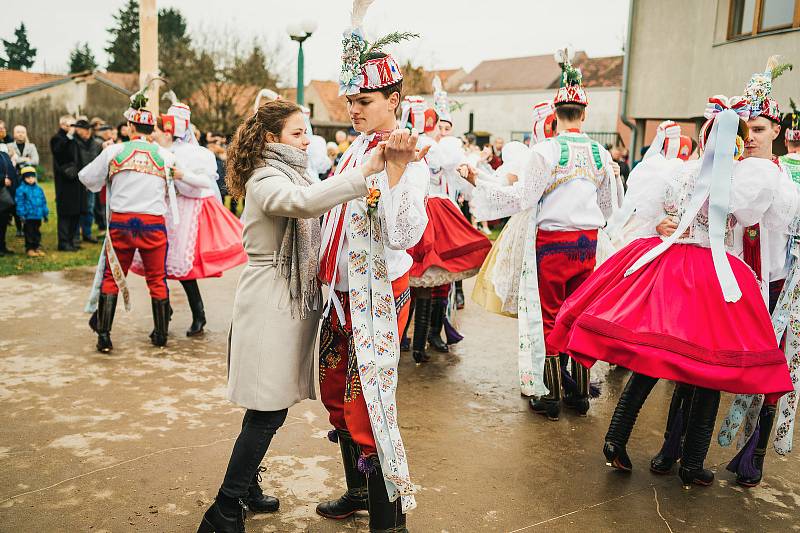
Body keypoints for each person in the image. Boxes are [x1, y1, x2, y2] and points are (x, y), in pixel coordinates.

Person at [549, 94, 796, 488]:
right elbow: (751, 217)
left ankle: (616, 438)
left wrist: (667, 224)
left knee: (651, 359)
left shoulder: (676, 172)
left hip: (668, 265)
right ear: (732, 143)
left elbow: (648, 217)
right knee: (709, 370)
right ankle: (693, 462)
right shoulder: (740, 177)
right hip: (712, 275)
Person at [197, 98, 416, 533]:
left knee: (270, 404)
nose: (307, 138)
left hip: (289, 300)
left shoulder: (292, 169)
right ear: (270, 138)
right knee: (267, 409)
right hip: (269, 303)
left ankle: (247, 490)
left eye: (306, 130)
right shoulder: (266, 177)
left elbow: (322, 204)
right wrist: (365, 173)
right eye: (298, 132)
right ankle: (224, 507)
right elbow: (303, 203)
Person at [315, 5, 428, 530]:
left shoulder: (409, 155)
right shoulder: (357, 146)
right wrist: (355, 23)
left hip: (378, 297)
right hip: (339, 298)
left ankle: (391, 522)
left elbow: (405, 235)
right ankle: (358, 493)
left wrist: (399, 175)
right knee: (336, 398)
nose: (353, 108)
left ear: (393, 102)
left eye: (363, 101)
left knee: (369, 411)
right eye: (351, 100)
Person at [463, 49, 622, 420]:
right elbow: (610, 208)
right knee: (579, 313)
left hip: (552, 242)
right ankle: (579, 394)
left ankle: (549, 394)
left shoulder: (546, 151)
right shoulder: (600, 152)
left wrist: (481, 185)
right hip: (588, 242)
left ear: (555, 116)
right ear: (583, 115)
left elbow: (523, 198)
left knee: (550, 315)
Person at [131, 101, 247, 337]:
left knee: (183, 269)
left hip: (186, 212)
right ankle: (165, 310)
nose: (158, 134)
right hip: (162, 211)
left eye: (163, 129)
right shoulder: (158, 152)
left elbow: (206, 182)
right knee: (157, 265)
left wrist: (182, 175)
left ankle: (198, 315)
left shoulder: (199, 154)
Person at [79, 90, 181, 353]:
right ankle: (160, 335)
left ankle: (104, 336)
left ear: (129, 126)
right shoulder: (165, 156)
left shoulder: (115, 151)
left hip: (122, 223)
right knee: (157, 279)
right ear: (152, 128)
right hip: (153, 224)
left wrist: (106, 160)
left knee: (112, 277)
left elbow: (87, 179)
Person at [50, 115, 85, 251]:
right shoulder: (57, 139)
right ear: (62, 125)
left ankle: (71, 240)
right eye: (71, 125)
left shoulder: (75, 140)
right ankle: (63, 242)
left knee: (75, 212)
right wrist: (69, 138)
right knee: (65, 213)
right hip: (65, 182)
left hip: (76, 181)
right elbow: (59, 154)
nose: (73, 128)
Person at [73, 119, 102, 244]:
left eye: (82, 129)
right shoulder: (74, 143)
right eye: (78, 129)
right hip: (78, 180)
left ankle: (87, 233)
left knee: (89, 207)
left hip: (91, 181)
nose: (80, 131)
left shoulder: (96, 144)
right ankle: (75, 234)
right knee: (77, 208)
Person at [14, 166, 48, 257]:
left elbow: (43, 201)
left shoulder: (39, 189)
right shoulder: (21, 190)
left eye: (32, 177)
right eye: (28, 177)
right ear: (24, 178)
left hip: (37, 216)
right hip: (28, 217)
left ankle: (36, 247)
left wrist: (45, 213)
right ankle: (29, 248)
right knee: (29, 233)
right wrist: (21, 214)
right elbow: (19, 203)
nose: (31, 179)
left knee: (37, 232)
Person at [0, 149, 18, 255]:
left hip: (5, 196)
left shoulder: (4, 155)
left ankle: (2, 247)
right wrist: (2, 180)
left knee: (3, 222)